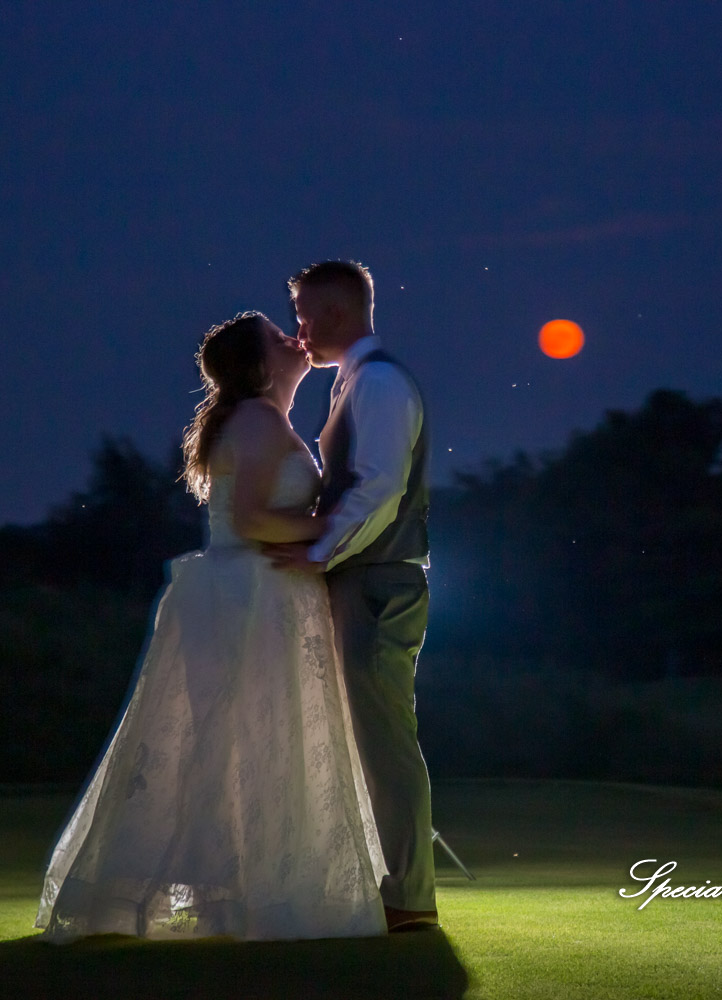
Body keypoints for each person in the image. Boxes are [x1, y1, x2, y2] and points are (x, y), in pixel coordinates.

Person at [35, 311, 387, 942]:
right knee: (248, 737)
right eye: (280, 338)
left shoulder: (262, 419)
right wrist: (340, 528)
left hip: (253, 592)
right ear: (257, 365)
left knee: (251, 741)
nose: (294, 339)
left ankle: (248, 892)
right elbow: (252, 520)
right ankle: (252, 895)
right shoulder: (255, 418)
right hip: (248, 595)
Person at [267, 260, 438, 932]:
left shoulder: (381, 382)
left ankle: (409, 898)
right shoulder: (357, 381)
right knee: (371, 738)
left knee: (385, 741)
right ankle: (394, 888)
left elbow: (379, 488)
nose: (299, 330)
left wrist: (317, 552)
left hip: (380, 583)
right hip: (366, 581)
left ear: (336, 313)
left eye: (305, 315)